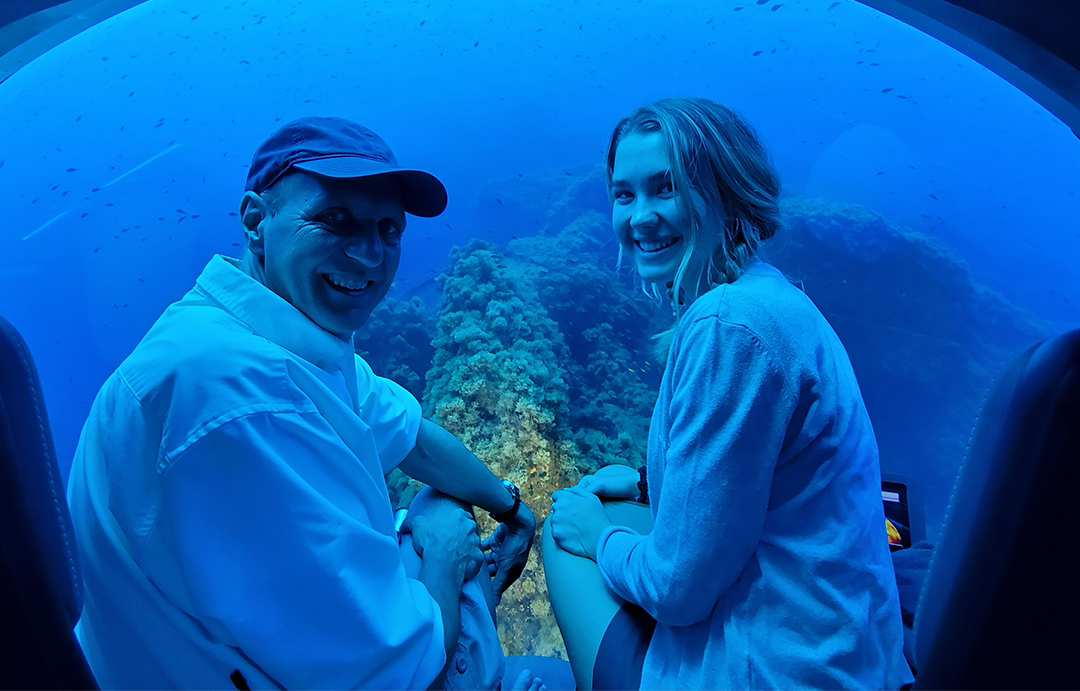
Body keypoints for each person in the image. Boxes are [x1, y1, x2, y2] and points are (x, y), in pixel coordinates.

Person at [66, 117, 543, 690]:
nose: (370, 256)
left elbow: (410, 435)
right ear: (255, 221)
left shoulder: (266, 334)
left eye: (388, 229)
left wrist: (511, 510)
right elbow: (394, 674)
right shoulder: (242, 395)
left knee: (444, 507)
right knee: (444, 526)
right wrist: (444, 554)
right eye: (334, 220)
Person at [544, 98, 913, 690]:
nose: (641, 217)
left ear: (726, 188)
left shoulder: (729, 327)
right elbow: (760, 474)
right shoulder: (771, 298)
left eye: (666, 189)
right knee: (624, 509)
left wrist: (598, 538)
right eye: (624, 194)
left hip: (776, 672)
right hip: (849, 653)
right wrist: (644, 482)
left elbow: (676, 594)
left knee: (566, 535)